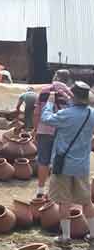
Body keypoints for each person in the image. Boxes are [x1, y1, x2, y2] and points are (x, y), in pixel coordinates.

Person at [41, 81, 94, 245]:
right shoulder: (91, 113)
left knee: (64, 202)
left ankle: (65, 237)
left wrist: (50, 103)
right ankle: (92, 235)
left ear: (74, 97)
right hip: (82, 166)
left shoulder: (66, 114)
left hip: (63, 166)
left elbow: (45, 118)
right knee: (86, 202)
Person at [33, 69, 73, 198]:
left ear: (55, 76)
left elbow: (37, 112)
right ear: (68, 80)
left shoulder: (44, 91)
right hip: (63, 132)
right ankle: (57, 191)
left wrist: (35, 129)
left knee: (43, 160)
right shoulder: (71, 94)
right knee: (61, 161)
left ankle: (40, 190)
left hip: (44, 130)